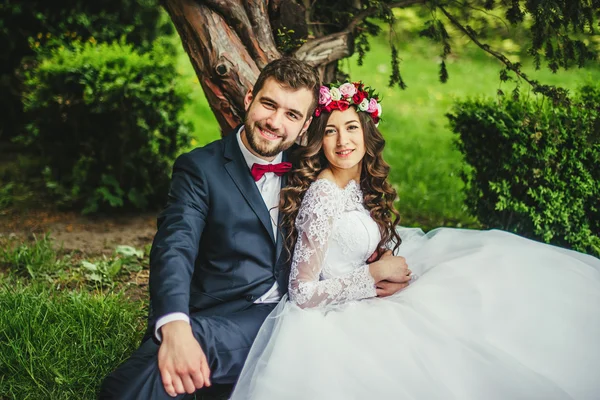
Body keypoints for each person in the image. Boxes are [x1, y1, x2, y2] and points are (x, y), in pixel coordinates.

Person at [229, 81, 600, 399]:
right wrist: (373, 276)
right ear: (319, 139)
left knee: (485, 275)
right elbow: (303, 293)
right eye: (330, 130)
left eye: (352, 128)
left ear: (367, 133)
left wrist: (380, 256)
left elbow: (350, 240)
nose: (343, 141)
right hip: (337, 312)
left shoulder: (353, 182)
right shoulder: (323, 195)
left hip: (372, 284)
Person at [99, 57, 329, 399]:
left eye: (291, 115)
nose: (275, 122)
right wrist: (175, 324)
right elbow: (175, 246)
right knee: (162, 364)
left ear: (305, 125)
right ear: (249, 98)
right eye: (269, 104)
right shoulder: (200, 168)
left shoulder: (311, 169)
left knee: (163, 365)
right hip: (221, 313)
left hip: (287, 313)